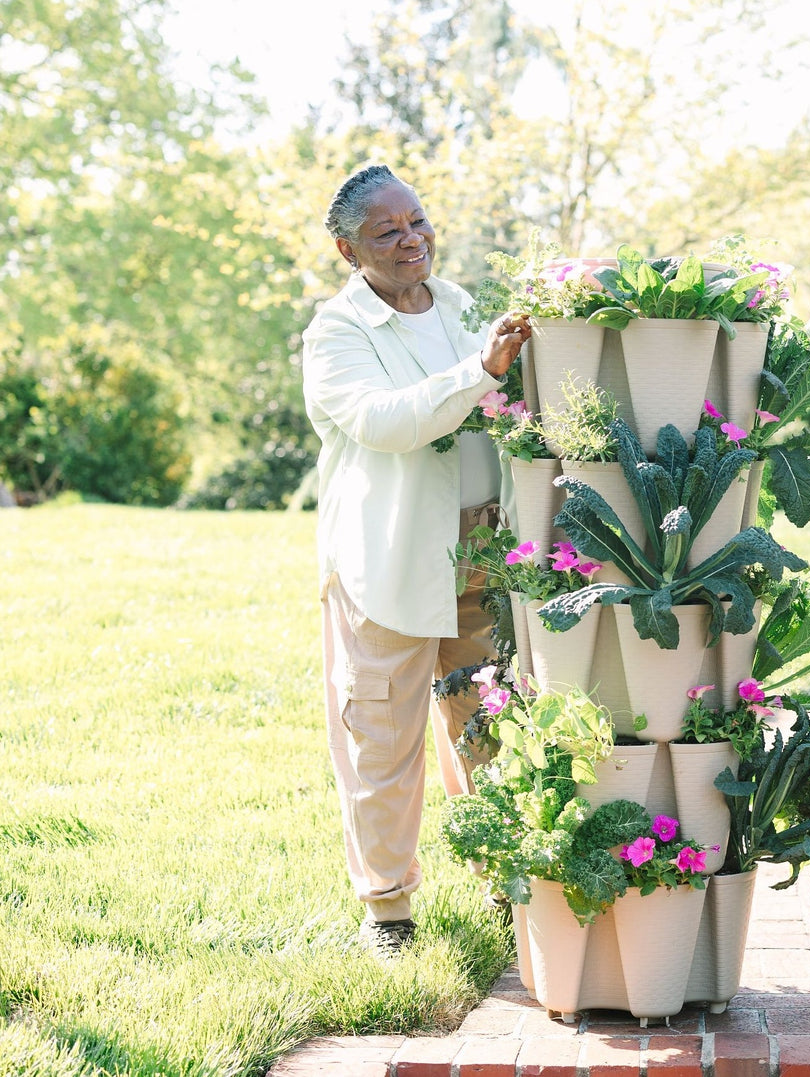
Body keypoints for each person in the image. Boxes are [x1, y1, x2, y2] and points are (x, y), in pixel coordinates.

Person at [303, 164, 532, 955]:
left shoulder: (462, 305)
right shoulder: (338, 333)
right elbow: (387, 422)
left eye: (419, 220)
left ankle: (510, 884)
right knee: (381, 734)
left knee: (491, 726)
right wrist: (481, 371)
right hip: (387, 560)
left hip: (482, 550)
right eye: (387, 231)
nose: (412, 239)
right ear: (348, 248)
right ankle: (388, 910)